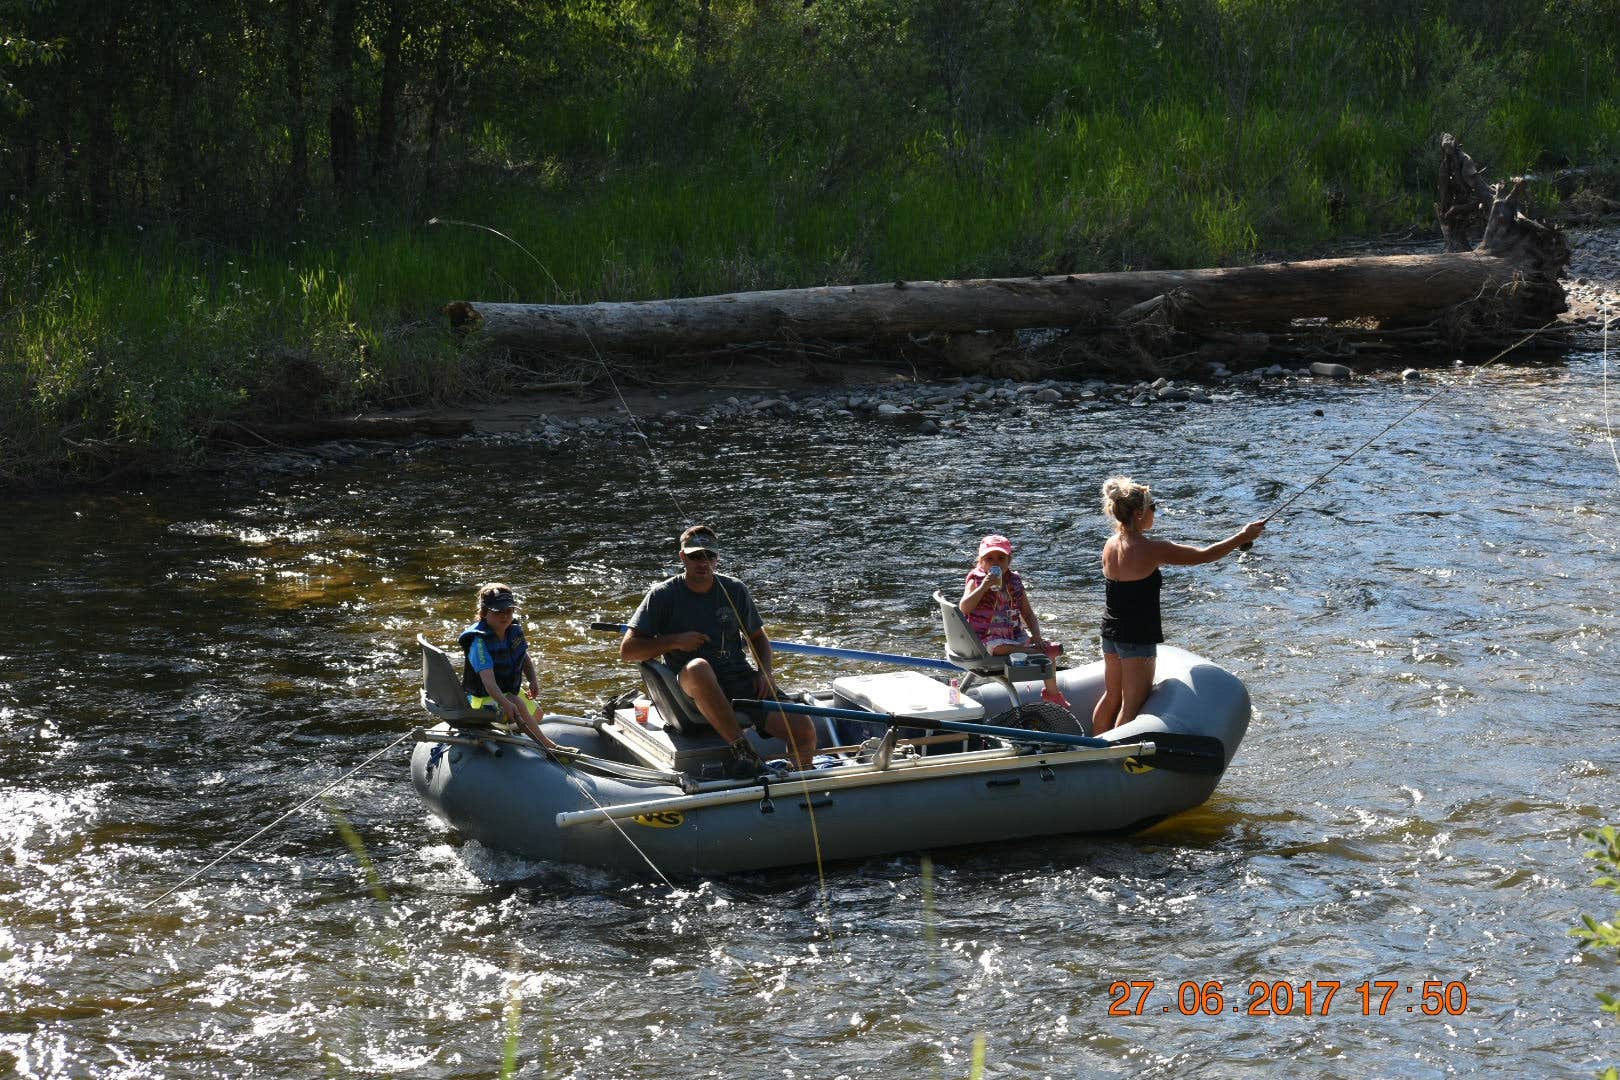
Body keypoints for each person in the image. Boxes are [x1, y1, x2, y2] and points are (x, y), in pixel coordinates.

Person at [619, 525, 818, 777]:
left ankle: (803, 782)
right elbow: (628, 651)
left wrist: (765, 672)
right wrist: (674, 641)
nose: (703, 562)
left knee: (803, 728)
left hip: (739, 680)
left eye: (709, 556)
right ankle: (742, 749)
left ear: (717, 558)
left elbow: (758, 637)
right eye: (695, 556)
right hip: (691, 683)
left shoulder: (734, 589)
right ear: (682, 557)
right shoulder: (662, 595)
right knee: (699, 666)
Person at [1092, 477, 1264, 735]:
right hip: (1136, 636)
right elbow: (1205, 555)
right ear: (1139, 514)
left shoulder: (1110, 545)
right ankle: (1111, 761)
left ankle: (1093, 743)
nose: (1155, 512)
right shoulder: (1152, 549)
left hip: (1110, 631)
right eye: (1154, 507)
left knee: (1111, 696)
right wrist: (1242, 536)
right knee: (1131, 706)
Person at [959, 534, 1070, 709]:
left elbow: (1027, 613)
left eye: (1001, 558)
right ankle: (1029, 651)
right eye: (989, 559)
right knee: (999, 647)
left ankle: (1052, 694)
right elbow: (964, 608)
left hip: (1012, 634)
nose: (995, 563)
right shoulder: (976, 579)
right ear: (981, 562)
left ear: (1009, 561)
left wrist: (1037, 635)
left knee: (1046, 650)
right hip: (984, 638)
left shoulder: (1014, 581)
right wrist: (984, 587)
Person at [459, 582, 559, 752]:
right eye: (498, 611)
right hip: (480, 700)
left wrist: (533, 680)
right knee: (515, 702)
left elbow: (524, 657)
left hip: (505, 691)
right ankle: (549, 747)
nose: (504, 615)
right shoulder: (479, 643)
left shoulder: (512, 631)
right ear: (484, 613)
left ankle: (507, 731)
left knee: (537, 714)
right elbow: (489, 683)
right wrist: (506, 703)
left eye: (509, 611)